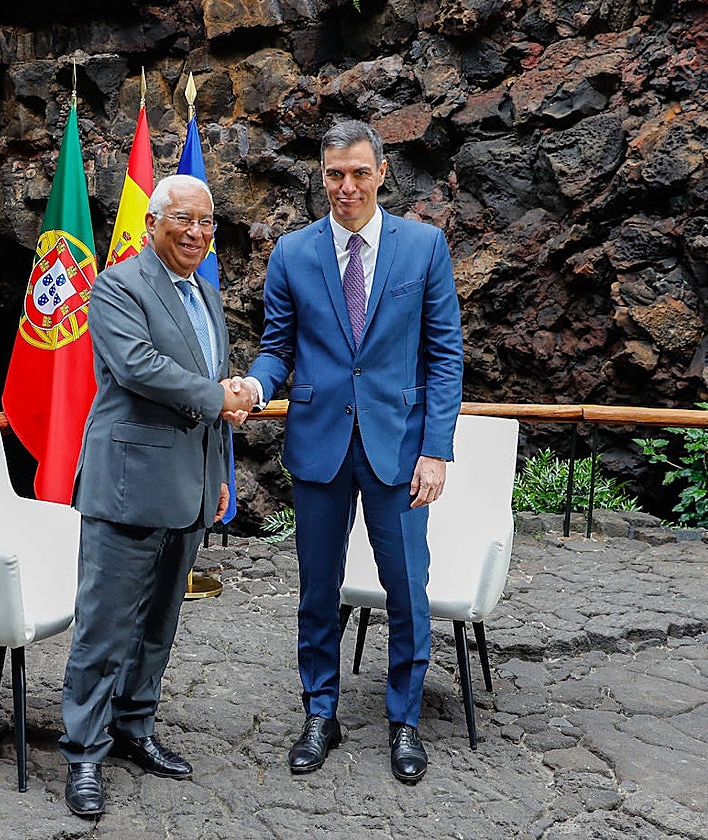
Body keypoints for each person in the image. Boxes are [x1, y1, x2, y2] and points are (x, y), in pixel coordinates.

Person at [240, 120, 464, 783]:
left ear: (382, 172)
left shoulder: (422, 247)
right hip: (319, 445)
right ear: (321, 172)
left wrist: (436, 450)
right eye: (334, 173)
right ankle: (320, 713)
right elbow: (278, 345)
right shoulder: (292, 253)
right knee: (316, 590)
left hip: (399, 449)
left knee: (406, 592)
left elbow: (445, 354)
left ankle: (404, 722)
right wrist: (255, 383)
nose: (346, 187)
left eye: (359, 172)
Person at [59, 174, 252, 817]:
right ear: (153, 224)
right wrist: (217, 397)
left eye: (206, 223)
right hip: (127, 488)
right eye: (184, 220)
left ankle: (133, 728)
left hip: (189, 488)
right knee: (104, 629)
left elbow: (210, 385)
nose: (196, 233)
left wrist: (217, 468)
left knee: (159, 625)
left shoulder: (206, 293)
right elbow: (138, 366)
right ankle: (84, 752)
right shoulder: (116, 286)